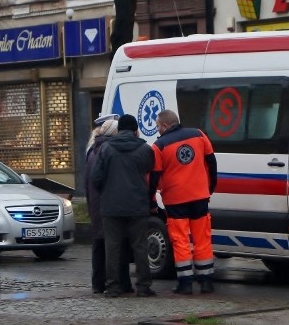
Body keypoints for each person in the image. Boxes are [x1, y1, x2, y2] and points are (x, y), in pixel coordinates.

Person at [150, 110, 218, 295]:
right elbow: (212, 163)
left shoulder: (159, 146)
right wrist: (209, 188)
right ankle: (206, 282)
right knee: (202, 239)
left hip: (175, 200)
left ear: (164, 125)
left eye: (158, 126)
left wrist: (151, 200)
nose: (158, 130)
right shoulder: (199, 134)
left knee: (180, 241)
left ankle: (185, 283)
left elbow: (154, 176)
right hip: (199, 196)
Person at [91, 114, 155, 298]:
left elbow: (96, 178)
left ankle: (113, 287)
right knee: (140, 246)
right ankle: (143, 286)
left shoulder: (105, 149)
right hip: (137, 206)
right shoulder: (144, 149)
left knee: (112, 247)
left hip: (111, 207)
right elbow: (149, 169)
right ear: (136, 131)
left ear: (118, 131)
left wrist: (107, 192)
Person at [85, 114, 132, 294]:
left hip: (96, 202)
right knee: (114, 244)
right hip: (107, 202)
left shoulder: (92, 148)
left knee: (99, 243)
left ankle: (98, 282)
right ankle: (116, 282)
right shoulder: (106, 149)